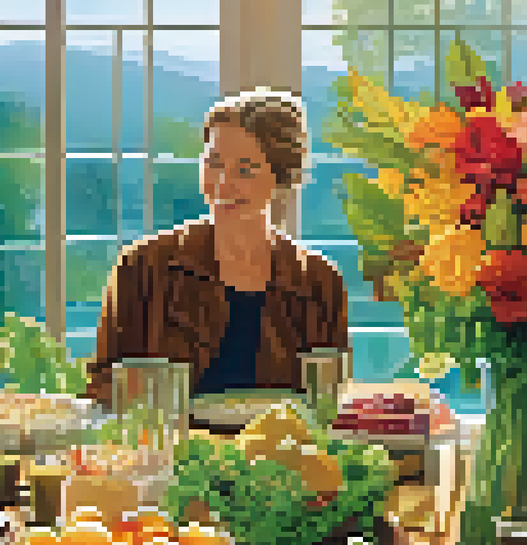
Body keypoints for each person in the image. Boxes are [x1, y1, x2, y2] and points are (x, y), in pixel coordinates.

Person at [84, 89, 349, 405]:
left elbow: (327, 403)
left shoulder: (320, 282)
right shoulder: (142, 267)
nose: (223, 184)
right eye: (214, 163)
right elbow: (101, 386)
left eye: (245, 170)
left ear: (281, 178)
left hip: (280, 440)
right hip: (172, 439)